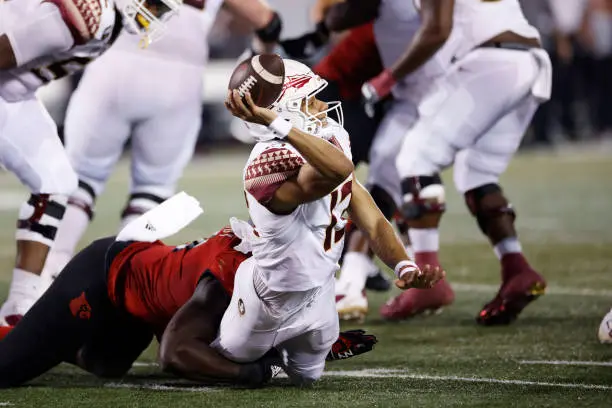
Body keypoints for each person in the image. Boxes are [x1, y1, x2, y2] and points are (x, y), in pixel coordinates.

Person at [0, 0, 286, 325]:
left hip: (112, 66)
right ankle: (120, 288)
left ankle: (42, 282)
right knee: (149, 191)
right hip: (180, 74)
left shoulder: (106, 18)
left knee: (75, 182)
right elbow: (267, 22)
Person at [212, 58, 444, 386]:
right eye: (309, 99)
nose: (322, 104)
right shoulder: (267, 163)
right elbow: (337, 171)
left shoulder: (325, 141)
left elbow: (373, 220)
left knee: (307, 380)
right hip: (270, 299)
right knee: (227, 364)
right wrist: (278, 124)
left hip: (320, 292)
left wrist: (405, 267)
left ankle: (287, 349)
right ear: (283, 113)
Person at [0, 223, 378, 388]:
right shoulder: (227, 277)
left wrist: (313, 347)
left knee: (107, 365)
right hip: (104, 277)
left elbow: (265, 326)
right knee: (7, 369)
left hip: (142, 304)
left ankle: (47, 337)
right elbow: (175, 354)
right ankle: (36, 333)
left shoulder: (277, 266)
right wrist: (259, 374)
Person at [361, 0, 552, 324]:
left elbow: (437, 29)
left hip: (490, 59)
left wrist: (387, 79)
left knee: (415, 156)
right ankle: (515, 266)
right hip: (528, 60)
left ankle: (426, 281)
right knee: (476, 172)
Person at [0, 0, 183, 325]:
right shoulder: (90, 15)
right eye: (154, 3)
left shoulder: (105, 18)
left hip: (12, 94)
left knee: (55, 180)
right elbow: (6, 49)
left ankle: (20, 305)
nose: (155, 14)